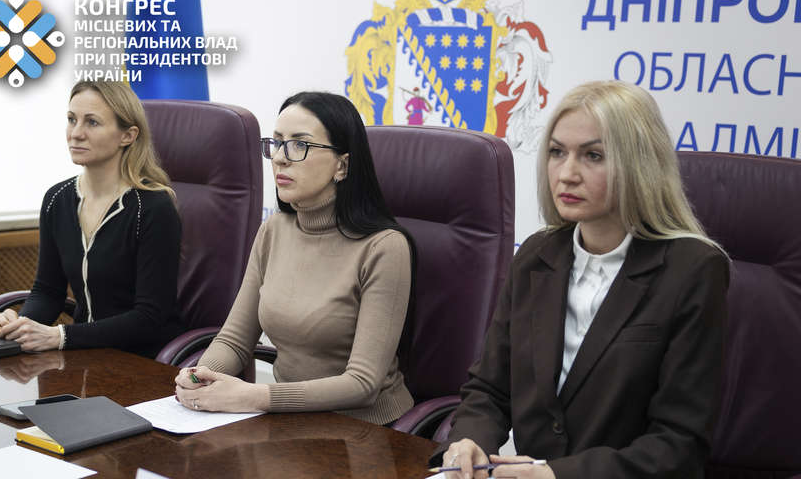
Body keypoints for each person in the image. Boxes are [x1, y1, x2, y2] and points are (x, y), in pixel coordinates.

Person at [433, 80, 729, 478]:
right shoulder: (537, 255)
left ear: (639, 164)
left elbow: (679, 445)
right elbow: (489, 388)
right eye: (557, 152)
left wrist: (555, 474)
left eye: (593, 155)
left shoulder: (693, 269)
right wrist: (469, 441)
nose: (567, 174)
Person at [173, 91, 416, 425]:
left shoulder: (384, 247)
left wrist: (254, 396)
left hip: (366, 430)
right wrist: (201, 376)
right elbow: (234, 340)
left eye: (299, 144)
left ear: (342, 165)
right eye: (277, 143)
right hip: (288, 420)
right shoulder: (274, 230)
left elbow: (362, 385)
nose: (279, 159)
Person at [0, 80, 184, 359]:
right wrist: (21, 325)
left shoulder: (153, 207)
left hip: (142, 360)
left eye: (92, 122)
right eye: (72, 119)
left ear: (128, 136)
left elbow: (149, 317)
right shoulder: (56, 199)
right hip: (81, 354)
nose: (76, 133)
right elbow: (47, 291)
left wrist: (60, 336)